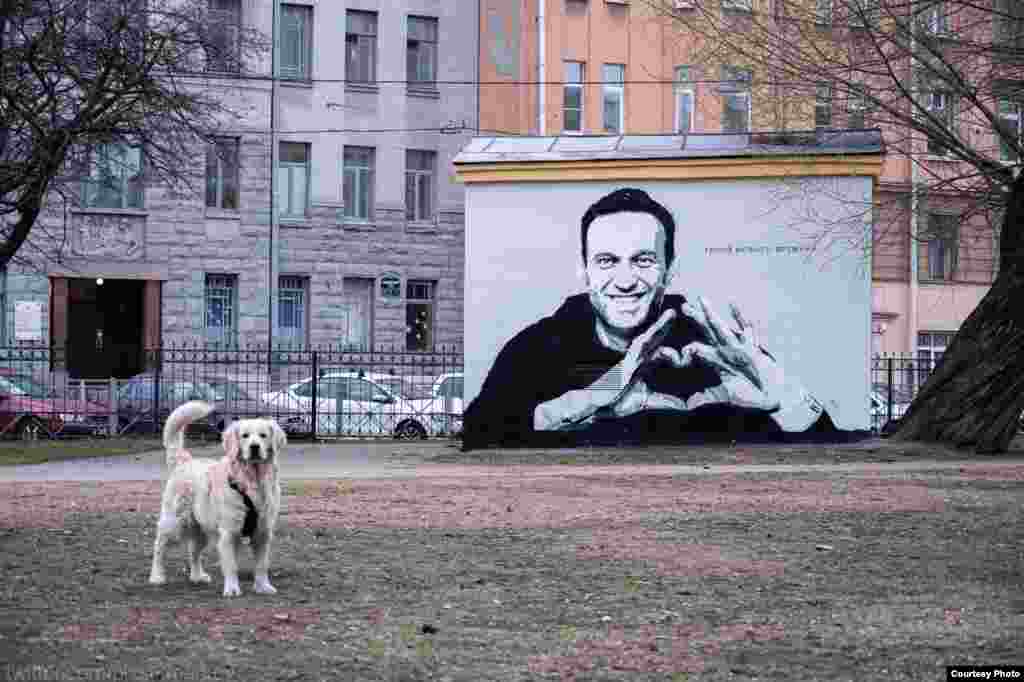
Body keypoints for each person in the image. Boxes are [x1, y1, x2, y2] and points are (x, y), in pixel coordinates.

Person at [462, 187, 841, 449]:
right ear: (585, 271)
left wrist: (781, 391)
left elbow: (829, 445)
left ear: (669, 270)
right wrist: (600, 393)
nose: (625, 281)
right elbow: (480, 433)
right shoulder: (539, 347)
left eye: (643, 260)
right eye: (607, 261)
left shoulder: (714, 346)